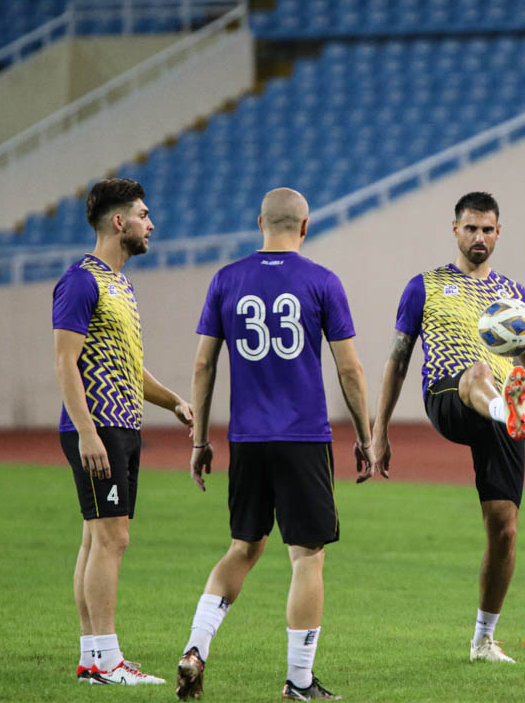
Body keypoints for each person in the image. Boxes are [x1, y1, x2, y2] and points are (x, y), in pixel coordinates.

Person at [370, 191, 525, 664]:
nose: (479, 237)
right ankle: (504, 409)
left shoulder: (514, 296)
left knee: (505, 531)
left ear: (499, 233)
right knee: (478, 372)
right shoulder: (425, 286)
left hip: (504, 401)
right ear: (454, 230)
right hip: (450, 396)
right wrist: (379, 431)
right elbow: (396, 363)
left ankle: (482, 641)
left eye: (488, 229)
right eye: (471, 228)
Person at [175, 188, 373, 701]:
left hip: (247, 438)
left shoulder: (226, 279)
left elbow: (203, 364)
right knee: (306, 558)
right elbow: (348, 367)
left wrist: (199, 440)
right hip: (302, 436)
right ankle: (300, 681)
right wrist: (367, 435)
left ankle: (196, 647)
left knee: (243, 547)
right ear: (305, 227)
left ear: (258, 221)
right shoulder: (322, 281)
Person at [52, 178, 194, 686]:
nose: (150, 224)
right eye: (143, 214)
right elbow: (65, 362)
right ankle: (108, 661)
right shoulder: (81, 280)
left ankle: (94, 658)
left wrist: (173, 400)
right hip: (100, 428)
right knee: (112, 539)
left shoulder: (121, 285)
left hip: (123, 425)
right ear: (119, 222)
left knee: (97, 539)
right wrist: (87, 432)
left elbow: (129, 367)